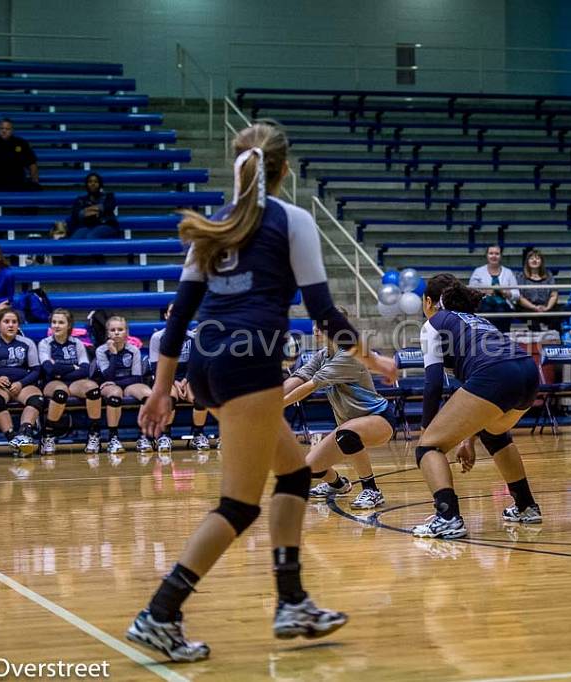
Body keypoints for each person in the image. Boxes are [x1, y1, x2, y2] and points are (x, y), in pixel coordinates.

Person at [125, 122, 396, 662]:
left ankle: (292, 600)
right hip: (247, 366)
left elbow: (178, 316)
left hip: (206, 362)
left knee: (294, 473)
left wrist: (161, 389)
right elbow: (324, 314)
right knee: (237, 504)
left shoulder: (215, 223)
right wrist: (375, 359)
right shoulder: (291, 219)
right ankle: (160, 613)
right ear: (284, 170)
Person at [410, 273, 543, 539]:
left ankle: (447, 517)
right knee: (494, 433)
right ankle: (526, 506)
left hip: (496, 374)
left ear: (428, 302)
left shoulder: (433, 323)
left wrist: (427, 427)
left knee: (428, 447)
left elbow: (433, 383)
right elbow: (477, 396)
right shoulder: (479, 321)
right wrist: (467, 439)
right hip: (528, 372)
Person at [282, 315, 393, 511]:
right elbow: (300, 378)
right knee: (309, 468)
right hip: (347, 426)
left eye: (322, 325)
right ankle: (338, 485)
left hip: (379, 419)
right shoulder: (323, 355)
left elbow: (310, 386)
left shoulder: (348, 355)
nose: (316, 328)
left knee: (346, 434)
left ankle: (372, 491)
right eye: (316, 324)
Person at [0, 308, 41, 456]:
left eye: (14, 322)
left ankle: (25, 434)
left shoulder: (27, 343)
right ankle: (12, 438)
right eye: (6, 322)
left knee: (36, 399)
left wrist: (21, 384)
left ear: (18, 325)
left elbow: (36, 370)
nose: (10, 325)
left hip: (21, 383)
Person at [38, 309, 102, 456]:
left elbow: (85, 369)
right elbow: (49, 370)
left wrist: (60, 368)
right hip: (52, 383)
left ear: (69, 325)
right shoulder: (45, 343)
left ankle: (94, 434)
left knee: (93, 390)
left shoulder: (77, 343)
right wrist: (73, 367)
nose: (56, 325)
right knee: (60, 392)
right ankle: (48, 435)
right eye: (54, 322)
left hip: (74, 382)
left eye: (61, 322)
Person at [148, 303, 211, 453]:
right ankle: (165, 435)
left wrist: (185, 380)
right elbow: (156, 367)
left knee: (201, 399)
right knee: (169, 397)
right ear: (166, 316)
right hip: (166, 377)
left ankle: (198, 434)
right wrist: (174, 382)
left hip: (188, 377)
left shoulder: (193, 337)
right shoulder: (158, 337)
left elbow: (196, 364)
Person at [95, 316, 153, 456]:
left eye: (120, 330)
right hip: (109, 386)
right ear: (108, 333)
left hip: (127, 383)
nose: (116, 333)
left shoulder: (133, 350)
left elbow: (136, 377)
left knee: (148, 394)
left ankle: (143, 436)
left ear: (127, 332)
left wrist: (117, 383)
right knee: (115, 393)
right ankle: (113, 438)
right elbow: (107, 377)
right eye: (113, 330)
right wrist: (114, 355)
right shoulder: (101, 351)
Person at [469, 244, 518, 334]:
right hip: (484, 304)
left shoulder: (508, 272)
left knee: (502, 311)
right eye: (491, 253)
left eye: (497, 253)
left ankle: (503, 339)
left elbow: (517, 294)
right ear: (487, 255)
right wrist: (484, 291)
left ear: (500, 256)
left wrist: (506, 293)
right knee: (487, 310)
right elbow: (471, 292)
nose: (494, 256)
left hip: (504, 305)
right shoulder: (478, 271)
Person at [516, 248, 559, 331]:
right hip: (527, 308)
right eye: (531, 258)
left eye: (537, 258)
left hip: (545, 306)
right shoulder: (521, 276)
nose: (534, 260)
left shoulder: (548, 275)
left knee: (556, 316)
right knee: (531, 320)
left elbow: (554, 295)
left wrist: (547, 308)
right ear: (527, 261)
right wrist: (534, 307)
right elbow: (520, 298)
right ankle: (538, 342)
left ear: (541, 261)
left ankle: (554, 341)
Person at [67, 172, 120, 239]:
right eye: (90, 182)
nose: (93, 184)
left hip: (106, 225)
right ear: (87, 184)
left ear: (100, 184)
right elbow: (76, 214)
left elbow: (109, 207)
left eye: (96, 182)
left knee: (91, 237)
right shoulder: (80, 200)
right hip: (87, 226)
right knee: (75, 239)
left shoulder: (108, 197)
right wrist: (97, 209)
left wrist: (87, 210)